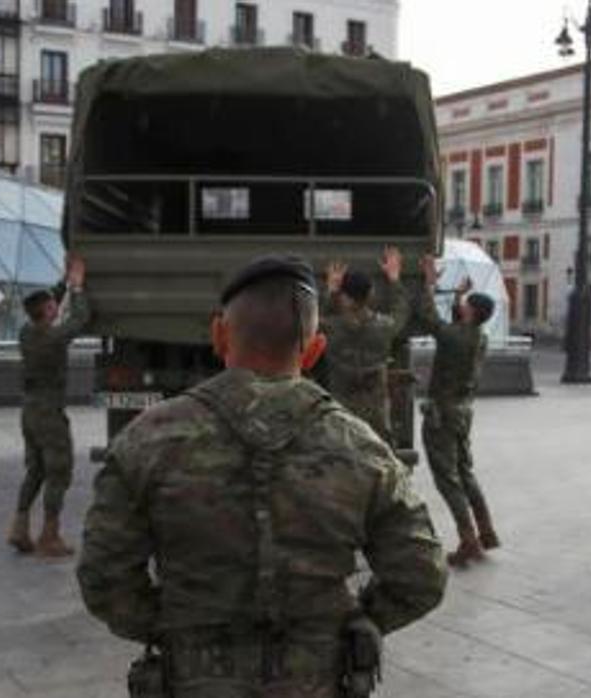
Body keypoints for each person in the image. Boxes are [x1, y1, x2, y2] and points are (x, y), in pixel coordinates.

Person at [77, 255, 447, 698]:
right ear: (314, 350)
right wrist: (358, 622)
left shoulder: (147, 441)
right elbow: (422, 575)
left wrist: (173, 627)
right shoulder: (364, 449)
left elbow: (103, 577)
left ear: (218, 335)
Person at [413, 256, 499, 567]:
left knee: (447, 479)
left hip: (444, 414)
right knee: (465, 473)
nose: (461, 308)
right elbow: (455, 326)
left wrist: (429, 281)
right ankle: (486, 531)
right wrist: (460, 297)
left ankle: (468, 540)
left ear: (471, 312)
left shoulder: (454, 336)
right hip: (463, 412)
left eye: (465, 305)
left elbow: (428, 318)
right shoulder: (479, 337)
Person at [6, 254, 90, 559]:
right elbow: (80, 319)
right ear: (49, 313)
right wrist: (78, 287)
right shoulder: (53, 337)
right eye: (54, 306)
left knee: (36, 469)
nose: (57, 306)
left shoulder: (28, 332)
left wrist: (64, 282)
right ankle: (49, 536)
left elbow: (47, 302)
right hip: (49, 413)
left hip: (29, 410)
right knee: (58, 471)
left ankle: (19, 526)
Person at [319, 247, 409, 445]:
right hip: (375, 416)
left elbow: (313, 322)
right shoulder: (385, 326)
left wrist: (331, 292)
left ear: (343, 296)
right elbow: (401, 311)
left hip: (341, 413)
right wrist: (394, 279)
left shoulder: (331, 327)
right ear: (370, 294)